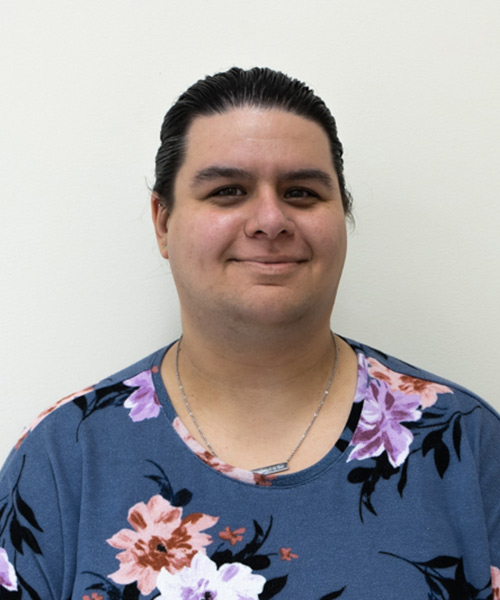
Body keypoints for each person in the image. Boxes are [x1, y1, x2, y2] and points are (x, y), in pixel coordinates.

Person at [0, 67, 498, 600]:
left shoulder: (465, 442)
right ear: (163, 221)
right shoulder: (66, 458)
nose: (270, 219)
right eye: (228, 191)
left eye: (301, 192)